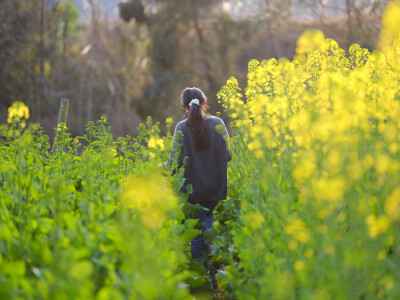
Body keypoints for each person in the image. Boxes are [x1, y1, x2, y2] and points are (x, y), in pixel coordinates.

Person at [168, 87, 232, 259]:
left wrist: (157, 170)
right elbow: (228, 156)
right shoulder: (218, 123)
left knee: (197, 236)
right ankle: (212, 271)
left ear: (184, 107)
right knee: (207, 226)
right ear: (205, 103)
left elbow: (175, 163)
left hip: (193, 192)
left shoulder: (181, 127)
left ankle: (203, 276)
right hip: (214, 191)